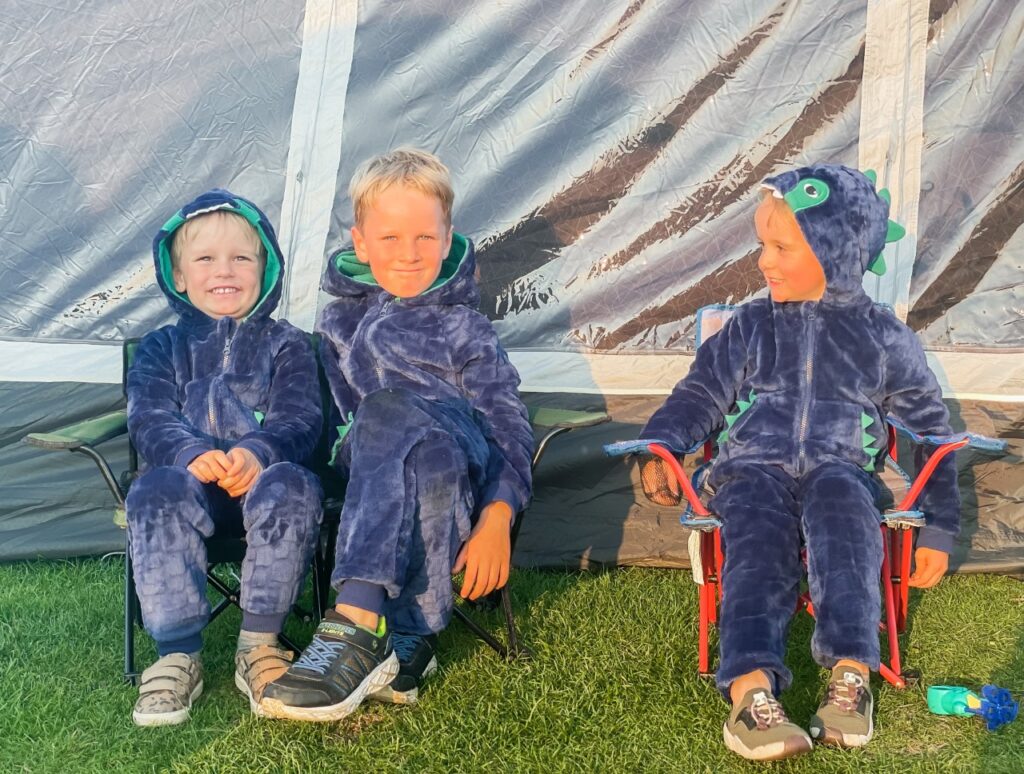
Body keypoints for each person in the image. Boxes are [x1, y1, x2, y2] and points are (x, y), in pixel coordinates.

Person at [637, 165, 958, 761]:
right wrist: (666, 444)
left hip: (841, 466)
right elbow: (702, 393)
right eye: (763, 244)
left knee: (846, 519)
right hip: (751, 467)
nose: (764, 260)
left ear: (836, 249)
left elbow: (929, 428)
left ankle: (849, 676)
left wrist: (938, 525)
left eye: (782, 246)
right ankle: (750, 692)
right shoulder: (750, 325)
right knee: (756, 539)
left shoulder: (882, 336)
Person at [261, 148, 533, 722]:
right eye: (389, 239)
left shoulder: (466, 329)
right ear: (360, 243)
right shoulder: (338, 325)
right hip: (369, 467)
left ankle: (355, 621)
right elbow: (325, 422)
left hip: (459, 466)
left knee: (402, 422)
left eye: (423, 239)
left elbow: (508, 428)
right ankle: (405, 631)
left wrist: (498, 517)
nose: (408, 255)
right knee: (390, 427)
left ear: (447, 236)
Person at [125, 190, 323, 726]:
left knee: (296, 484)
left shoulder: (289, 346)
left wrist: (259, 453)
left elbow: (301, 418)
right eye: (205, 259)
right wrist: (189, 453)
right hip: (184, 488)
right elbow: (148, 417)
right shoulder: (161, 348)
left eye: (242, 257)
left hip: (262, 487)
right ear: (179, 275)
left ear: (268, 266)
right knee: (152, 489)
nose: (225, 271)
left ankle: (258, 645)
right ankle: (177, 655)